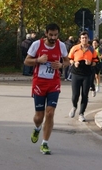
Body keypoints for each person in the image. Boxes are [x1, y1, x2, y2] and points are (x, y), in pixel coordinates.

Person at [24, 23, 69, 155]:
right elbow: (26, 61)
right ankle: (37, 128)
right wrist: (38, 60)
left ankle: (45, 143)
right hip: (39, 83)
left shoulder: (61, 46)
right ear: (46, 33)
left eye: (56, 35)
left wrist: (61, 65)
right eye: (51, 35)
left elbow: (67, 62)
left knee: (50, 113)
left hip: (54, 83)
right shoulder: (37, 45)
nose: (53, 37)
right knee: (39, 116)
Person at [68, 31, 98, 122]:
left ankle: (81, 113)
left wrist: (91, 63)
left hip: (87, 74)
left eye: (86, 37)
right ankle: (74, 107)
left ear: (88, 39)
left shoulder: (92, 49)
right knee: (75, 95)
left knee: (85, 95)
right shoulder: (75, 48)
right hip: (76, 73)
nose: (84, 39)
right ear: (80, 39)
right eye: (83, 38)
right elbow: (70, 58)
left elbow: (96, 61)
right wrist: (74, 63)